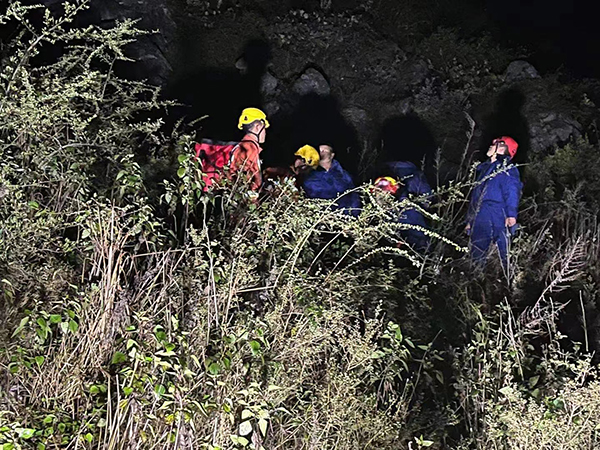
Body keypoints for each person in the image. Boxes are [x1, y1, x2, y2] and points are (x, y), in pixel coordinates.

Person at [465, 136, 522, 270]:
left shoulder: (506, 168)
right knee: (477, 251)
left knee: (505, 252)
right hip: (481, 215)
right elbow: (475, 196)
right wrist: (470, 220)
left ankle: (509, 280)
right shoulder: (484, 168)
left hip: (498, 213)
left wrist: (511, 214)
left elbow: (512, 191)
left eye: (497, 143)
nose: (492, 145)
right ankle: (477, 281)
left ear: (504, 149)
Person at [373, 176, 430, 251]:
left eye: (383, 187)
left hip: (413, 251)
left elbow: (420, 238)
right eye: (376, 190)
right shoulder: (378, 213)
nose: (379, 192)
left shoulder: (407, 210)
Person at [301, 144, 361, 216]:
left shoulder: (343, 174)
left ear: (332, 155)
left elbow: (353, 193)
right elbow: (310, 194)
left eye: (325, 149)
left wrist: (355, 212)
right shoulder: (310, 175)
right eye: (319, 150)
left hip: (346, 217)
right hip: (323, 218)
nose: (322, 151)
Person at [231, 107, 270, 191]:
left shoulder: (244, 145)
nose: (265, 132)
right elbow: (249, 181)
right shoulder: (250, 148)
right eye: (264, 128)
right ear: (257, 126)